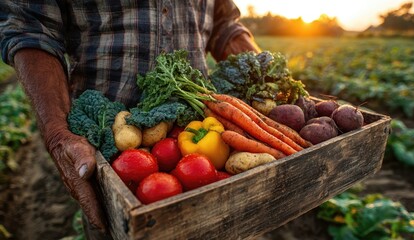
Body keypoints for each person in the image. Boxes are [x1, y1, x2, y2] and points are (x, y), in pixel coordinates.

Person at [0, 0, 260, 238]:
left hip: (201, 125)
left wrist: (267, 78)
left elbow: (225, 24)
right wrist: (57, 132)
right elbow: (29, 26)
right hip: (105, 148)